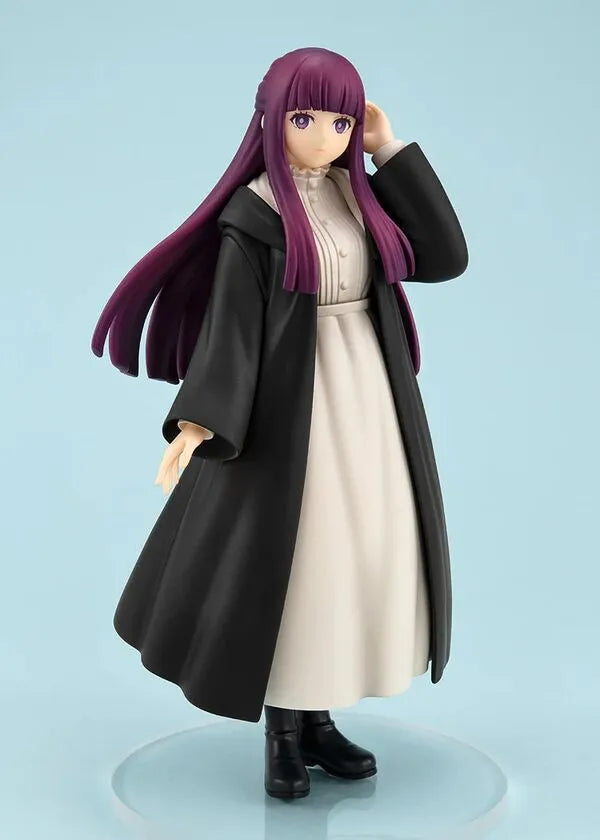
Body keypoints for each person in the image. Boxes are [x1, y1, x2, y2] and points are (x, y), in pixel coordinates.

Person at [92, 46, 468, 799]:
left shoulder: (359, 199)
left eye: (340, 121)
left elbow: (445, 256)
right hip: (293, 408)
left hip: (370, 397)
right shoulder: (256, 216)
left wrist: (389, 150)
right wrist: (199, 421)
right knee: (298, 560)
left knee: (355, 554)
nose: (325, 137)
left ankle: (319, 721)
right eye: (306, 118)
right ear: (271, 120)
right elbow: (231, 329)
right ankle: (284, 733)